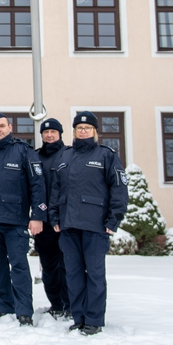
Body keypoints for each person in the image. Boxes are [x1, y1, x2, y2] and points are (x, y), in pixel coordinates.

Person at [49, 111, 128, 336]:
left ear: (95, 131)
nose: (83, 131)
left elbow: (119, 189)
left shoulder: (106, 155)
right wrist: (54, 217)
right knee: (72, 274)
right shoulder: (64, 156)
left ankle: (93, 319)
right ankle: (79, 317)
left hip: (95, 225)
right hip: (68, 225)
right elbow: (56, 190)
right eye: (79, 128)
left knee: (94, 274)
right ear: (73, 131)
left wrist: (114, 218)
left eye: (87, 128)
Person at [0, 110, 47, 326]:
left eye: (2, 126)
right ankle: (4, 307)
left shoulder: (23, 152)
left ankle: (24, 311)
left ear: (9, 128)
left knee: (19, 266)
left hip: (16, 222)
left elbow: (37, 185)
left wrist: (38, 216)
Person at [35, 118, 71, 319]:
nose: (49, 135)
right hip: (43, 222)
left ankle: (69, 304)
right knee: (48, 266)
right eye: (46, 132)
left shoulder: (69, 154)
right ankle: (56, 303)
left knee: (67, 265)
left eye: (53, 131)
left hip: (65, 221)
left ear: (60, 134)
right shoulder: (35, 156)